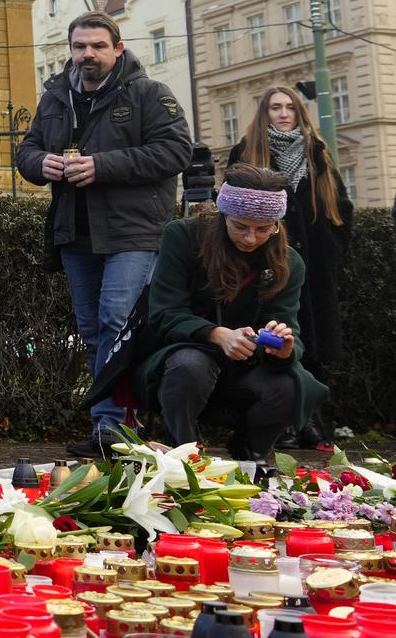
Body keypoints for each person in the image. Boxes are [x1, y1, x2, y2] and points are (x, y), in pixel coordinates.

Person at [15, 12, 190, 458]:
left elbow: (176, 151)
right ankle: (106, 427)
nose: (87, 54)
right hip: (75, 230)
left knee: (118, 323)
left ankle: (122, 427)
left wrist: (102, 166)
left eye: (97, 46)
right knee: (93, 330)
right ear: (71, 51)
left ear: (118, 48)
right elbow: (28, 151)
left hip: (133, 232)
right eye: (80, 47)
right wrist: (42, 164)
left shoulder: (150, 94)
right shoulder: (56, 96)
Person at [94, 166, 323, 459]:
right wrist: (218, 335)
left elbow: (289, 327)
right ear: (223, 214)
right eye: (240, 226)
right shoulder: (184, 236)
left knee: (292, 383)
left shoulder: (289, 262)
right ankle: (186, 455)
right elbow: (164, 313)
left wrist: (282, 348)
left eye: (263, 228)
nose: (251, 238)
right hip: (173, 363)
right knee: (191, 365)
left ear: (277, 224)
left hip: (245, 368)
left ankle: (252, 457)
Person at [228, 87, 352, 450]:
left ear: (299, 113)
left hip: (314, 266)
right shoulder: (248, 152)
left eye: (290, 108)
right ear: (264, 113)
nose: (283, 114)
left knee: (313, 346)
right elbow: (232, 209)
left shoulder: (316, 152)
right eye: (275, 108)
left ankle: (310, 421)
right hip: (268, 262)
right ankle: (285, 423)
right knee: (276, 338)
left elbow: (340, 206)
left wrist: (332, 247)